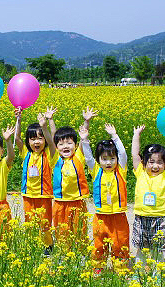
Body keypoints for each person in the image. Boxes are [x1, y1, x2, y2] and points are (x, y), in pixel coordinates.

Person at [80, 122, 129, 272]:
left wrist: (115, 137)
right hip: (101, 215)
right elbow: (88, 157)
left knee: (120, 242)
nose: (108, 162)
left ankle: (120, 268)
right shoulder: (95, 171)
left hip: (118, 215)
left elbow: (123, 154)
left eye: (112, 159)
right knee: (99, 243)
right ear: (99, 160)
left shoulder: (121, 170)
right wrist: (84, 141)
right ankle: (98, 267)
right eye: (104, 159)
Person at [131, 123, 165, 264]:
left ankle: (157, 274)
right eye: (151, 161)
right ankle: (139, 273)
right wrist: (136, 135)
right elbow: (135, 155)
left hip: (160, 217)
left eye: (160, 162)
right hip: (141, 216)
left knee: (158, 249)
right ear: (144, 162)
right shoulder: (140, 173)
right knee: (141, 248)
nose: (155, 166)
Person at [49, 107, 96, 242]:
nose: (65, 146)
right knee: (60, 231)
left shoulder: (78, 157)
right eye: (61, 144)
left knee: (79, 230)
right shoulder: (55, 159)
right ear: (56, 147)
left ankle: (80, 254)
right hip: (60, 202)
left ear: (75, 145)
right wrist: (50, 120)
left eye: (69, 143)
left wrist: (86, 121)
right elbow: (53, 137)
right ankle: (63, 254)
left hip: (77, 201)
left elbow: (83, 137)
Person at [14, 106, 56, 252]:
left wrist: (47, 123)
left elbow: (53, 141)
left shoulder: (49, 154)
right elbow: (17, 138)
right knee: (30, 222)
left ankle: (48, 247)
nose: (36, 142)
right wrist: (18, 119)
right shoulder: (26, 153)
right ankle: (33, 245)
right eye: (32, 139)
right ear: (28, 141)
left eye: (40, 138)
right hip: (28, 195)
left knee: (44, 223)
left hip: (44, 195)